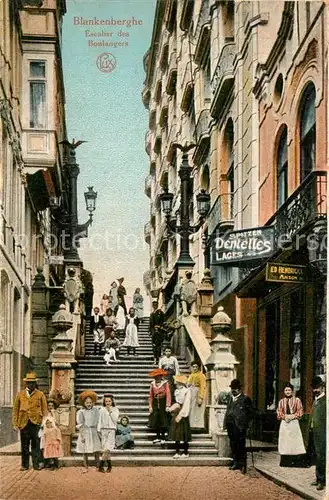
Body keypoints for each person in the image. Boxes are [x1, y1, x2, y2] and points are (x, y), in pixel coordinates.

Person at [12, 372, 47, 471]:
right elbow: (15, 410)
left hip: (36, 423)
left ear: (35, 383)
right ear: (26, 383)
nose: (30, 384)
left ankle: (36, 464)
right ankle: (25, 465)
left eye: (32, 383)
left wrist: (44, 423)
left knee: (36, 445)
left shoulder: (40, 395)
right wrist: (15, 423)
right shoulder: (20, 394)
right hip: (23, 423)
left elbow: (45, 410)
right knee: (24, 446)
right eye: (29, 383)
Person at [223, 379, 253, 473]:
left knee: (241, 445)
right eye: (232, 388)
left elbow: (251, 413)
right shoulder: (230, 399)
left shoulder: (245, 399)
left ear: (240, 389)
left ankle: (243, 465)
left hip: (240, 427)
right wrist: (225, 424)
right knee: (233, 444)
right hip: (230, 426)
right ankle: (235, 463)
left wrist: (248, 425)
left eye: (235, 389)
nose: (233, 390)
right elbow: (227, 412)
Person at [276, 382, 307, 467]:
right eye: (286, 390)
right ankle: (285, 461)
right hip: (285, 423)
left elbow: (300, 411)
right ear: (284, 391)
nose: (287, 392)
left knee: (295, 441)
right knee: (285, 441)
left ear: (292, 391)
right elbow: (278, 412)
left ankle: (296, 461)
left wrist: (293, 416)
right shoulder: (281, 401)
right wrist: (284, 416)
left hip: (294, 423)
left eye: (289, 390)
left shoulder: (297, 400)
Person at [76, 390, 101, 473]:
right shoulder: (81, 412)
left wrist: (98, 431)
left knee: (96, 449)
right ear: (84, 403)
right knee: (84, 450)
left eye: (90, 402)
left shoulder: (96, 410)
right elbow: (80, 423)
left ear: (93, 402)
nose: (89, 404)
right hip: (85, 431)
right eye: (87, 403)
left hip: (93, 430)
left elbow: (98, 421)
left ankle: (97, 465)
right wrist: (82, 434)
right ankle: (85, 466)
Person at [309, 376, 326, 491]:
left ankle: (322, 481)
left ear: (322, 388)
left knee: (321, 457)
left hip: (322, 433)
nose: (315, 390)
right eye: (314, 388)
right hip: (313, 432)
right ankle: (318, 478)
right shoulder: (316, 400)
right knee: (316, 456)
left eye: (317, 388)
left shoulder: (325, 401)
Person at [169, 375, 192, 459]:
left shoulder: (187, 391)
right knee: (176, 433)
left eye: (177, 382)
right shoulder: (176, 391)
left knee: (184, 433)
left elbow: (186, 403)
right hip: (177, 411)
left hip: (183, 412)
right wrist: (172, 408)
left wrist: (181, 414)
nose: (175, 383)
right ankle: (177, 451)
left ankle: (186, 452)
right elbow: (177, 402)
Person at [148, 368, 171, 445]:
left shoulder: (165, 383)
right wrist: (150, 406)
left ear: (161, 376)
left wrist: (168, 405)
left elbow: (168, 395)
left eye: (159, 376)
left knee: (163, 420)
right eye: (156, 376)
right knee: (156, 419)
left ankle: (163, 437)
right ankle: (157, 437)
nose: (157, 377)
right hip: (155, 402)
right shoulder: (152, 384)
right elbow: (150, 396)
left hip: (163, 402)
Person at [97, 394, 119, 473]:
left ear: (112, 401)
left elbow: (115, 420)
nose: (108, 403)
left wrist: (110, 411)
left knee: (108, 448)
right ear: (104, 402)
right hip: (103, 430)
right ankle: (109, 465)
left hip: (111, 429)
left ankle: (101, 465)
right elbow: (99, 420)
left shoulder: (115, 409)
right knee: (106, 449)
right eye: (106, 401)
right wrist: (98, 430)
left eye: (109, 401)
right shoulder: (101, 410)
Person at [39, 398, 60, 467]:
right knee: (44, 446)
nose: (50, 407)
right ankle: (45, 462)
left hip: (52, 434)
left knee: (52, 447)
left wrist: (53, 414)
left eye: (52, 406)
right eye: (49, 405)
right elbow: (42, 423)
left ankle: (53, 462)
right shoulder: (45, 414)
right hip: (45, 432)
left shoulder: (55, 413)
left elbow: (57, 423)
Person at [187, 360, 207, 429]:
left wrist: (200, 397)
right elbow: (188, 383)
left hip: (197, 392)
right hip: (191, 393)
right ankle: (192, 425)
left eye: (196, 367)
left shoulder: (201, 375)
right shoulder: (191, 375)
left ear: (198, 367)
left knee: (198, 409)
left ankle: (198, 426)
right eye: (193, 367)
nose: (195, 368)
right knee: (191, 409)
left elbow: (203, 386)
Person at [149, 301, 165, 365]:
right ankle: (155, 359)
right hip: (153, 331)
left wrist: (159, 326)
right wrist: (150, 331)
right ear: (152, 306)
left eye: (156, 305)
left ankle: (159, 359)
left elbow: (163, 320)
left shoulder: (160, 312)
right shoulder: (152, 313)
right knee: (154, 345)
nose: (155, 306)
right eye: (154, 305)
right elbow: (150, 324)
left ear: (157, 305)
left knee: (159, 345)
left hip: (159, 331)